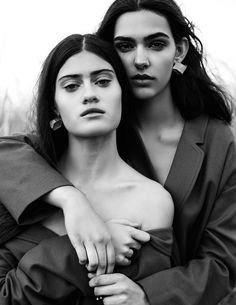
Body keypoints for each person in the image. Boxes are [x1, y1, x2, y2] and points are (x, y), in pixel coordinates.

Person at [0, 0, 236, 304]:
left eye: (156, 44)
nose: (140, 60)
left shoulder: (217, 140)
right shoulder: (83, 133)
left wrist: (149, 295)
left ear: (179, 50)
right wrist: (72, 201)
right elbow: (11, 154)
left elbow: (224, 265)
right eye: (124, 46)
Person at [0, 33, 175, 305]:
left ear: (122, 95)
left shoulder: (152, 202)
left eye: (103, 81)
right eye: (71, 86)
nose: (90, 94)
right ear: (55, 108)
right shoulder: (21, 179)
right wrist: (73, 203)